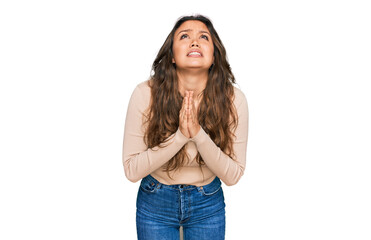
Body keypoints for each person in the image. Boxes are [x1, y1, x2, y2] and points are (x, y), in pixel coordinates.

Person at [122, 14, 249, 240]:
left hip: (208, 203)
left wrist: (198, 135)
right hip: (155, 201)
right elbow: (132, 170)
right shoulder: (145, 94)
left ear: (214, 55)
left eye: (203, 37)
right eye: (184, 36)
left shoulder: (233, 99)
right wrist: (180, 137)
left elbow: (233, 175)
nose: (194, 41)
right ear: (171, 55)